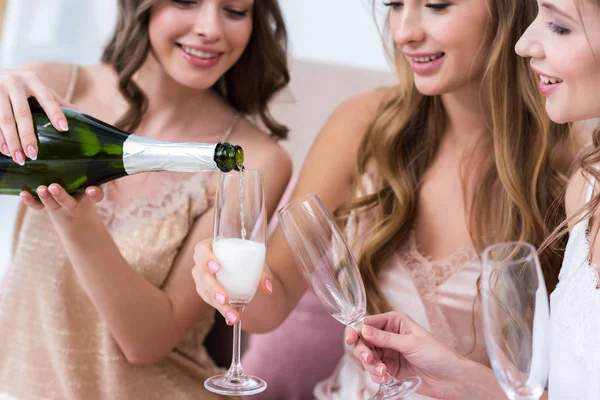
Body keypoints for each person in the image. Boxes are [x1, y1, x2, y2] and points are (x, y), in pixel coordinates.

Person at [192, 0, 588, 398]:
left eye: (436, 6)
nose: (404, 32)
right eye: (394, 5)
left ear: (507, 10)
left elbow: (576, 381)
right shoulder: (365, 127)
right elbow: (269, 307)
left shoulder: (574, 170)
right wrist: (224, 282)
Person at [0, 0, 292, 398]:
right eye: (187, 1)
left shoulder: (256, 160)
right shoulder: (52, 91)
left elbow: (146, 342)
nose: (210, 28)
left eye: (235, 11)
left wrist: (76, 219)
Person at [347, 0, 600, 399]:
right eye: (394, 5)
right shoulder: (587, 189)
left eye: (560, 27)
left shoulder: (569, 172)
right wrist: (459, 379)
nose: (525, 43)